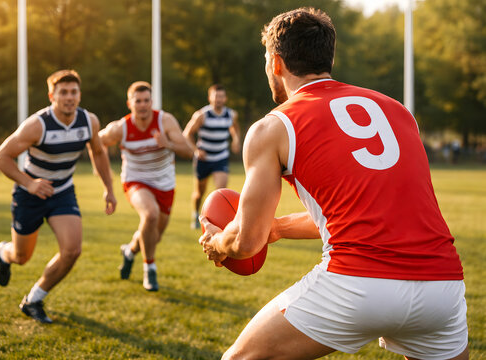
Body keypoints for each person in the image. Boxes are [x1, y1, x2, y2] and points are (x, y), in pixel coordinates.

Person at [199, 7, 468, 360]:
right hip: (442, 287)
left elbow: (246, 243)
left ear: (276, 63)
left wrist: (217, 244)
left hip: (357, 283)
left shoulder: (273, 126)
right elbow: (365, 209)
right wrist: (277, 228)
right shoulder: (398, 111)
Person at [0, 69, 117, 323]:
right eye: (63, 93)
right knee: (21, 257)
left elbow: (99, 152)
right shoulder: (37, 125)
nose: (69, 97)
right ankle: (4, 253)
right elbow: (0, 157)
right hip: (30, 195)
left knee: (72, 251)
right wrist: (30, 183)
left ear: (79, 95)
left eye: (74, 92)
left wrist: (109, 188)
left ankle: (34, 299)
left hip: (62, 192)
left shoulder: (88, 121)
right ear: (52, 95)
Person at [99, 81, 193, 291]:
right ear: (129, 103)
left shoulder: (165, 121)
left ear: (152, 102)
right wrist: (106, 179)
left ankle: (130, 251)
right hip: (135, 180)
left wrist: (167, 144)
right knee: (150, 215)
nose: (142, 105)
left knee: (154, 235)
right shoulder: (120, 128)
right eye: (138, 101)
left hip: (165, 183)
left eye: (146, 101)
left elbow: (188, 151)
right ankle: (149, 270)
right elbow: (97, 144)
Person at [183, 84, 241, 229]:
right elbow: (187, 134)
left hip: (220, 157)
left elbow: (235, 128)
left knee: (221, 191)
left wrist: (236, 140)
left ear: (225, 98)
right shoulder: (202, 115)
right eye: (216, 96)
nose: (219, 100)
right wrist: (196, 151)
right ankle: (195, 213)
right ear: (210, 98)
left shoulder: (231, 114)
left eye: (221, 96)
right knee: (199, 193)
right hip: (203, 159)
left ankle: (217, 221)